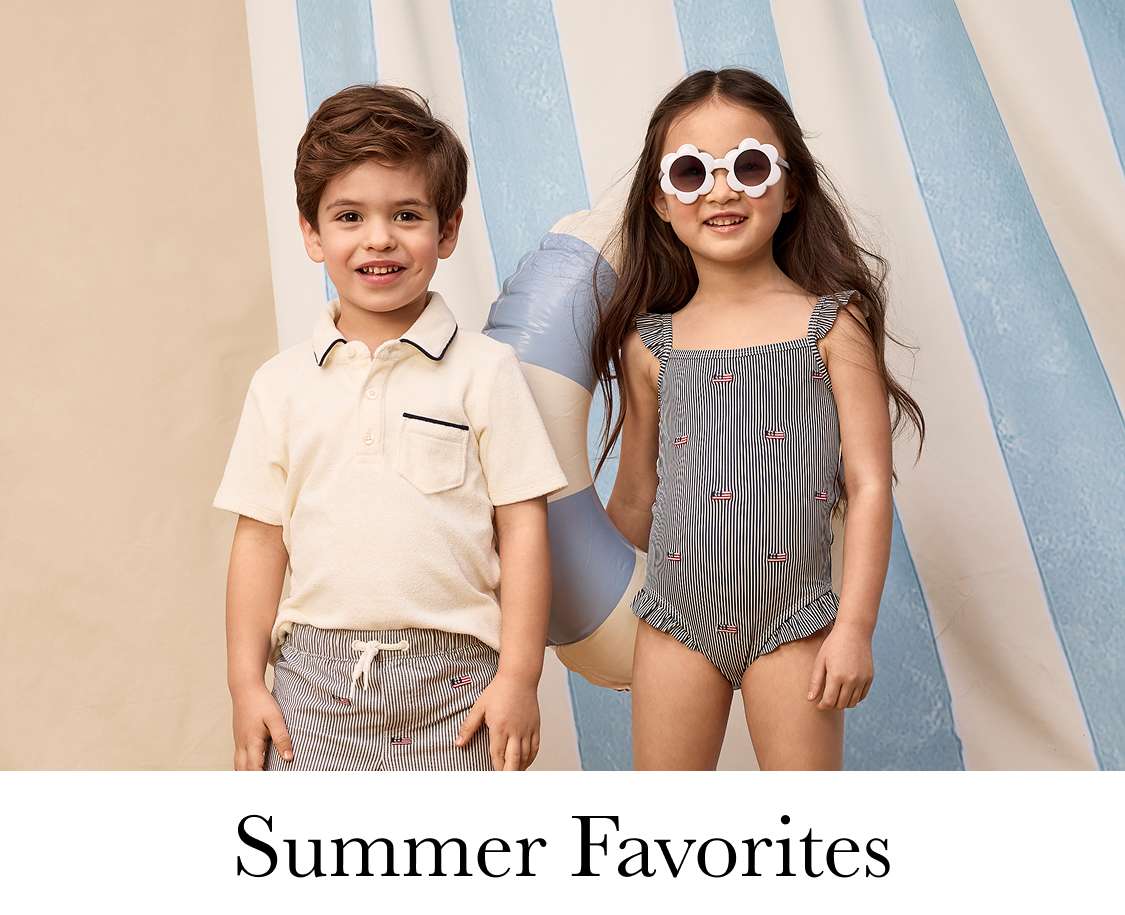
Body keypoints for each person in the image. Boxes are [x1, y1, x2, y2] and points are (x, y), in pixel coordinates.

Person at [214, 84, 567, 771]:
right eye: (349, 216)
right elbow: (258, 541)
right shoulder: (279, 384)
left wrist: (520, 677)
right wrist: (245, 685)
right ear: (311, 233)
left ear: (448, 230)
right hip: (312, 688)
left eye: (406, 214)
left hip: (458, 687)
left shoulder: (485, 371)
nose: (379, 238)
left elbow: (523, 528)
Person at [590, 68, 924, 770]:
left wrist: (854, 628)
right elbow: (637, 494)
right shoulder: (650, 344)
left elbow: (869, 485)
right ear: (661, 199)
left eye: (748, 165)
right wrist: (575, 595)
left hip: (796, 620)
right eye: (692, 172)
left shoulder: (832, 327)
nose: (722, 190)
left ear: (789, 185)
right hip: (674, 620)